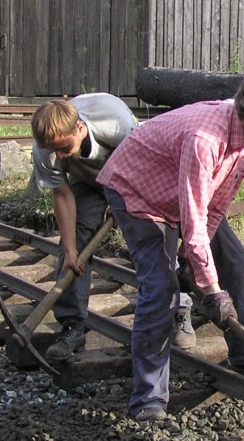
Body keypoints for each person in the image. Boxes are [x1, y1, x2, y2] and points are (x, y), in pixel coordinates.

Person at [97, 62, 244, 422]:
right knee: (160, 289)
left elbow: (216, 204)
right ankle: (148, 399)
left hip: (181, 194)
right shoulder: (204, 139)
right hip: (138, 192)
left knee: (234, 261)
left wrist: (200, 267)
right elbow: (192, 220)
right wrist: (211, 290)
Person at [29, 93, 204, 362]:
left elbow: (150, 165)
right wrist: (70, 248)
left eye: (64, 148)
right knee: (75, 243)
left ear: (79, 128)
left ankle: (179, 308)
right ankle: (72, 327)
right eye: (54, 151)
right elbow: (62, 195)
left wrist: (123, 201)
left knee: (156, 240)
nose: (60, 155)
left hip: (137, 174)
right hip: (86, 181)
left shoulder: (116, 124)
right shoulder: (46, 147)